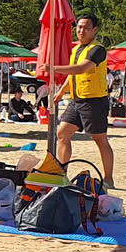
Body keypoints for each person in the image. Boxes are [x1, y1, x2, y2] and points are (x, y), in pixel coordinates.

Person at [52, 13, 115, 186]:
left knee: (99, 139)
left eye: (86, 27)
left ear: (94, 29)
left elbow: (81, 68)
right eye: (79, 27)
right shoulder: (76, 49)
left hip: (94, 101)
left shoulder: (97, 49)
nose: (81, 30)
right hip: (76, 100)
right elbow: (73, 74)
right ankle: (61, 173)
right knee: (62, 133)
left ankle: (108, 178)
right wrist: (61, 92)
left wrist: (53, 68)